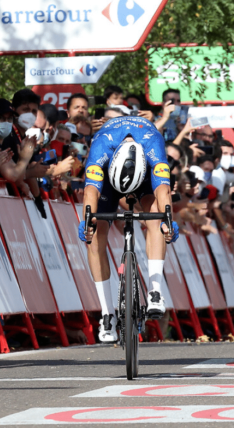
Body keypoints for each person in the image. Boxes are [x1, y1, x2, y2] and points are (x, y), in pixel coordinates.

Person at [78, 111, 180, 343]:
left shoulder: (153, 142)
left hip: (143, 177)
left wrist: (167, 221)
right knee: (94, 235)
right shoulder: (101, 146)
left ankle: (155, 291)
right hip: (108, 180)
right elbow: (90, 192)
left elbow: (163, 191)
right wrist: (88, 223)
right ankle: (107, 314)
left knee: (156, 218)